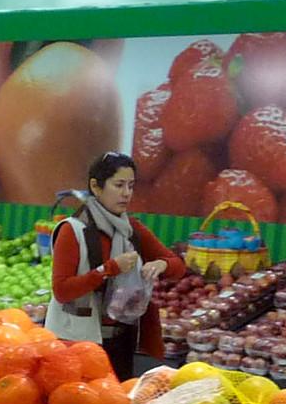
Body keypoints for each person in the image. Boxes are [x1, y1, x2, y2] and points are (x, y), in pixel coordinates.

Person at [48, 151, 184, 379]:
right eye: (119, 185)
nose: (126, 193)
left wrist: (162, 264)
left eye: (131, 186)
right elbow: (62, 291)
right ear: (96, 186)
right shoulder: (72, 230)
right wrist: (109, 268)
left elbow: (178, 266)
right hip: (77, 341)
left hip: (122, 339)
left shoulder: (132, 229)